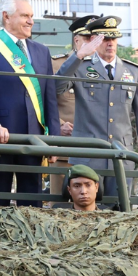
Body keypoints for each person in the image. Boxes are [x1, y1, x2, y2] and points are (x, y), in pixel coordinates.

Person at [0, 0, 61, 205]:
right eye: (24, 16)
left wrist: (55, 139)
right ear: (7, 16)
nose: (31, 21)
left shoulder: (42, 51)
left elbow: (49, 97)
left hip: (35, 137)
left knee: (32, 205)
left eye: (31, 16)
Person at [55, 15, 138, 196]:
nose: (110, 43)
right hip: (88, 158)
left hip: (122, 157)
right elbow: (57, 87)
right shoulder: (80, 67)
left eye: (114, 38)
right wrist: (79, 55)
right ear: (94, 40)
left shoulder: (132, 71)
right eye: (105, 39)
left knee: (120, 213)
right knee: (87, 215)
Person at [48, 14, 99, 197]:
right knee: (61, 207)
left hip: (97, 150)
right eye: (87, 38)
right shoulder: (56, 64)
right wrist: (59, 124)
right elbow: (44, 100)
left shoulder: (105, 68)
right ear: (77, 40)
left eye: (96, 38)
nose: (92, 43)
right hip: (66, 149)